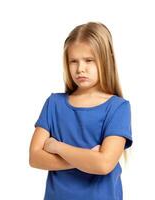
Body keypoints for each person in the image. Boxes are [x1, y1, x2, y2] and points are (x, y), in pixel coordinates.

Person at [29, 21, 133, 200]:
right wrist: (88, 158)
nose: (80, 69)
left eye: (89, 60)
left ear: (105, 59)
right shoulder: (54, 104)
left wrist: (57, 147)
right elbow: (35, 158)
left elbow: (104, 164)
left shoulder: (118, 108)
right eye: (73, 61)